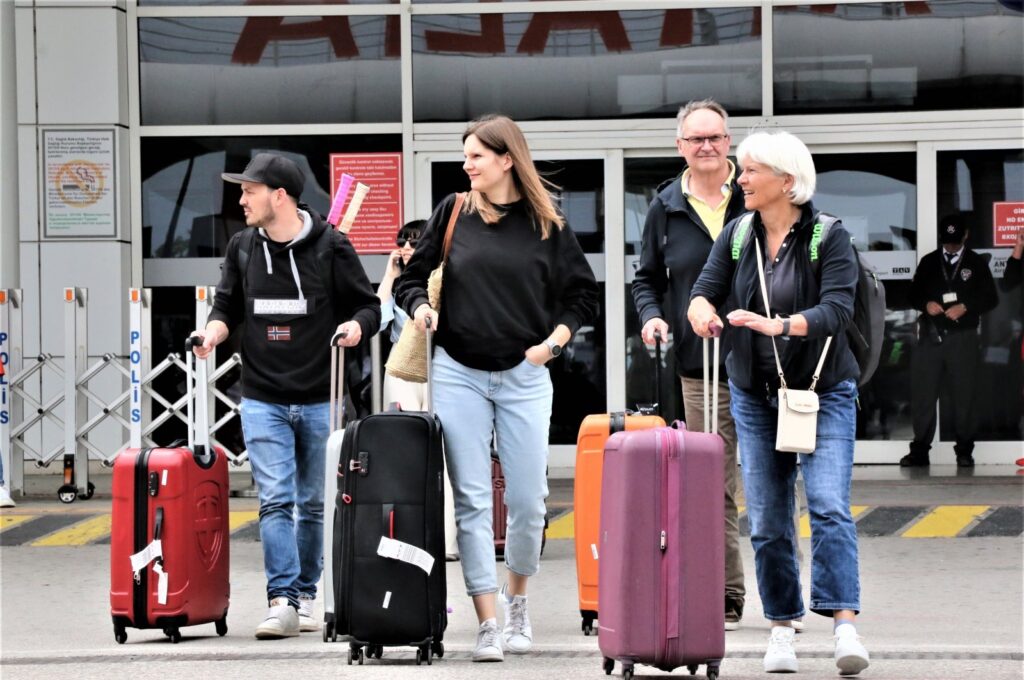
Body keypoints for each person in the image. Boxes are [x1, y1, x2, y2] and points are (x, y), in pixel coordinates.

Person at [395, 114, 598, 663]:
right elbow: (412, 276)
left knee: (530, 503)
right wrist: (419, 310)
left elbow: (581, 298)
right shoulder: (454, 211)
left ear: (507, 159)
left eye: (476, 157)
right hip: (458, 370)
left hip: (525, 375)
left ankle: (518, 601)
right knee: (472, 499)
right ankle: (486, 621)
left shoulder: (547, 223)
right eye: (466, 157)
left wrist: (551, 345)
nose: (467, 165)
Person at [688, 130, 870, 675]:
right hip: (755, 396)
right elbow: (706, 285)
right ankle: (782, 627)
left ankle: (844, 627)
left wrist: (780, 325)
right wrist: (700, 309)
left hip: (824, 393)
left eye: (749, 171)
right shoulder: (739, 232)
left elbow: (838, 309)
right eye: (739, 170)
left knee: (829, 506)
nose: (738, 178)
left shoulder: (828, 236)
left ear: (786, 182)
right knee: (767, 517)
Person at [191, 153, 380, 639]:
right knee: (275, 501)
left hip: (321, 397)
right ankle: (282, 601)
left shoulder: (332, 247)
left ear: (279, 195)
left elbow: (368, 306)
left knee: (314, 504)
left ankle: (308, 591)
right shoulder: (243, 247)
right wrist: (211, 334)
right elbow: (226, 304)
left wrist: (356, 328)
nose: (240, 199)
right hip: (262, 398)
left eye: (248, 190)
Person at [631, 99, 747, 631]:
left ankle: (785, 603)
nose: (707, 146)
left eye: (715, 138)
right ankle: (725, 590)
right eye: (696, 139)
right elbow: (647, 279)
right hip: (701, 367)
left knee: (774, 481)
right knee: (712, 482)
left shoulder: (756, 194)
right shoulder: (666, 207)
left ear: (729, 142)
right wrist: (654, 316)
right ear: (680, 147)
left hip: (769, 363)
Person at [378, 219, 460, 561]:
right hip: (403, 371)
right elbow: (379, 320)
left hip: (442, 371)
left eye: (414, 242)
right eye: (402, 242)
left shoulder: (444, 277)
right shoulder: (401, 287)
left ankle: (447, 543)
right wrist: (390, 275)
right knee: (403, 456)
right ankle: (407, 538)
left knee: (446, 455)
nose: (407, 248)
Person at [901, 214, 998, 468]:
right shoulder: (930, 262)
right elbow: (912, 294)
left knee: (964, 395)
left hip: (962, 338)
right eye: (947, 242)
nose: (951, 247)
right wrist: (926, 304)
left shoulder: (975, 263)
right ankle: (920, 450)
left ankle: (964, 450)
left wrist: (966, 306)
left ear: (965, 236)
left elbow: (991, 298)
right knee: (924, 395)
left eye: (955, 242)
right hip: (931, 338)